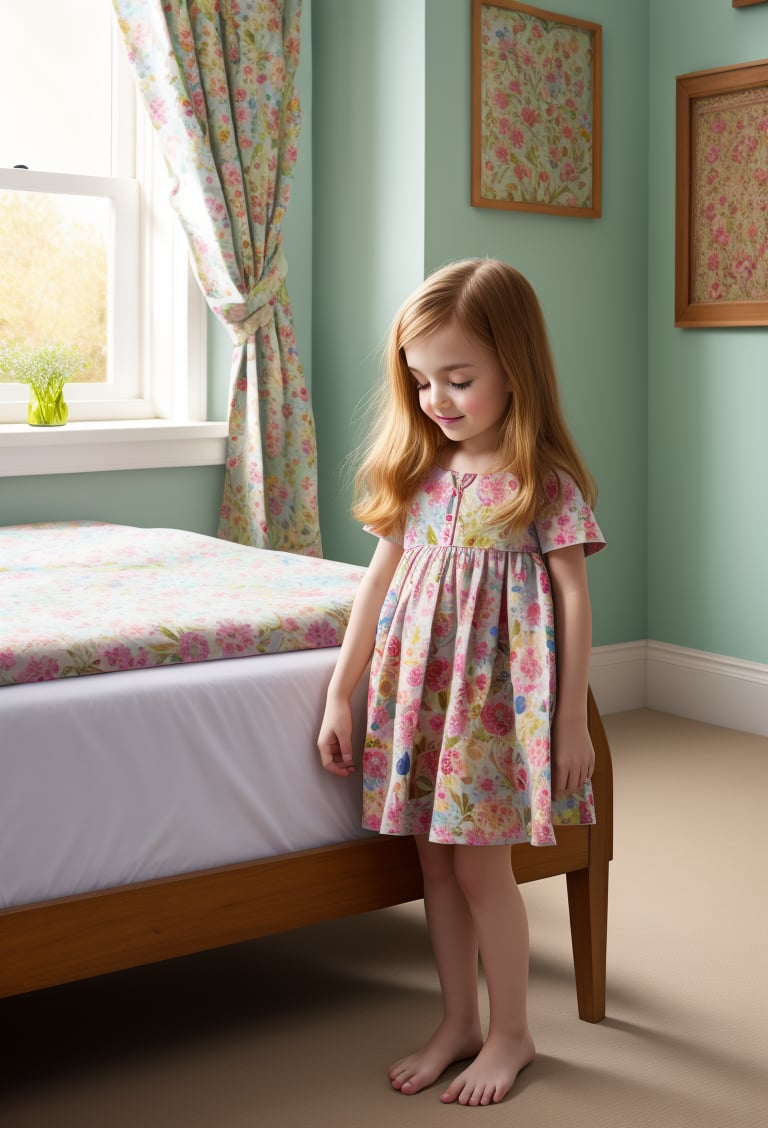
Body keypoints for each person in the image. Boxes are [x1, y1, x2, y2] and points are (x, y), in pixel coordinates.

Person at [317, 258, 605, 1107]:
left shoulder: (541, 483)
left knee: (483, 873)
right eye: (421, 380)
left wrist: (570, 724)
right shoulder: (421, 476)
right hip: (421, 702)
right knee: (434, 870)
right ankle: (459, 1021)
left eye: (458, 379)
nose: (436, 399)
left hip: (490, 708)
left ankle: (512, 1031)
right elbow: (376, 583)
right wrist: (342, 688)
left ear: (514, 369)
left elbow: (574, 599)